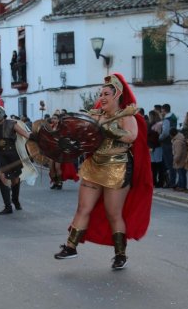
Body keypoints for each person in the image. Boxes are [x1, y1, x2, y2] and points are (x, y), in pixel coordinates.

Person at [53, 73, 153, 270]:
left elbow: (131, 136)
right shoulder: (95, 115)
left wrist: (106, 128)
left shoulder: (127, 115)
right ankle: (70, 247)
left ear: (117, 95)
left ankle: (120, 254)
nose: (102, 97)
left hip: (117, 168)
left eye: (106, 93)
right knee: (83, 208)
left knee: (113, 213)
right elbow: (80, 131)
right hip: (94, 166)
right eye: (101, 94)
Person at [0, 106, 34, 214]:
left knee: (15, 179)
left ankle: (15, 199)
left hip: (11, 154)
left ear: (3, 115)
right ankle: (8, 206)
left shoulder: (12, 124)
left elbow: (25, 135)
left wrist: (37, 138)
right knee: (0, 175)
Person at [47, 113, 79, 189]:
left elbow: (66, 138)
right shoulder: (50, 127)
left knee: (57, 167)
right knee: (51, 168)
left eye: (55, 118)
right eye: (52, 118)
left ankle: (59, 183)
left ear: (58, 120)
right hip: (51, 150)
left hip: (59, 150)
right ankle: (55, 182)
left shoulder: (62, 128)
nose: (53, 120)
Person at [148, 110, 164, 188]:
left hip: (154, 146)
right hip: (157, 146)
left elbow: (151, 136)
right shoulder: (159, 124)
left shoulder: (153, 125)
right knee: (157, 165)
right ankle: (157, 181)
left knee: (155, 166)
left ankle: (155, 181)